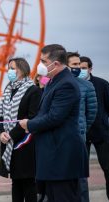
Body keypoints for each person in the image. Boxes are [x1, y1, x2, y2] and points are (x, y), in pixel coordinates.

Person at [19, 44, 88, 201]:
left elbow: (55, 117)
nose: (40, 64)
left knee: (64, 196)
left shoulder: (66, 84)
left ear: (55, 63)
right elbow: (45, 113)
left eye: (43, 61)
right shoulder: (53, 81)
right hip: (53, 156)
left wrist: (29, 125)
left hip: (62, 155)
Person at [0, 58, 41, 202]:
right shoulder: (8, 89)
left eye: (12, 68)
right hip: (9, 143)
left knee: (28, 182)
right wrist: (1, 132)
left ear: (22, 69)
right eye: (9, 68)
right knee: (15, 182)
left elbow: (32, 117)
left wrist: (10, 135)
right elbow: (0, 114)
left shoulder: (33, 90)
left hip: (24, 143)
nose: (9, 71)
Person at [66, 52, 97, 202]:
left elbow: (91, 113)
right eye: (75, 64)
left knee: (80, 178)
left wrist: (83, 128)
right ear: (66, 66)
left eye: (79, 64)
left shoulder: (87, 86)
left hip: (78, 137)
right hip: (60, 139)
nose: (78, 67)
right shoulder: (54, 83)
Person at [80, 56, 109, 201]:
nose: (81, 70)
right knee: (80, 171)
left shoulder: (102, 84)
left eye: (84, 67)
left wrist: (102, 118)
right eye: (78, 67)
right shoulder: (74, 84)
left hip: (101, 133)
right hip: (82, 134)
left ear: (90, 68)